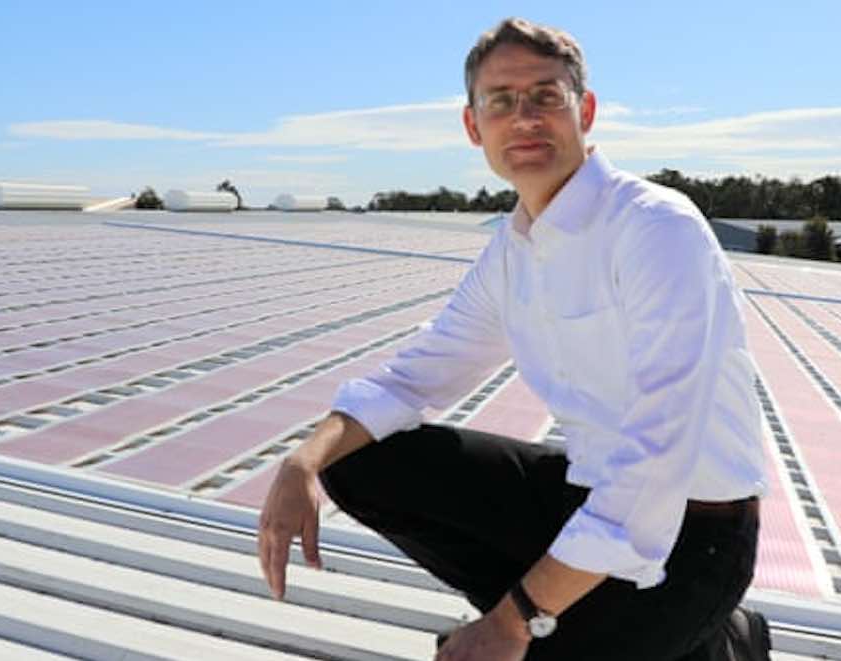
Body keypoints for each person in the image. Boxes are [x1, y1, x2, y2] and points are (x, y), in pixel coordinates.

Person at [258, 17, 770, 661]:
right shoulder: (514, 249)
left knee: (520, 644)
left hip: (694, 537)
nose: (524, 117)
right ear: (474, 126)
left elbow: (654, 466)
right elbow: (414, 377)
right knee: (356, 459)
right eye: (500, 101)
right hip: (588, 495)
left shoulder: (654, 228)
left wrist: (512, 621)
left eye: (546, 96)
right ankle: (572, 620)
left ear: (585, 110)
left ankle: (714, 636)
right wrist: (302, 461)